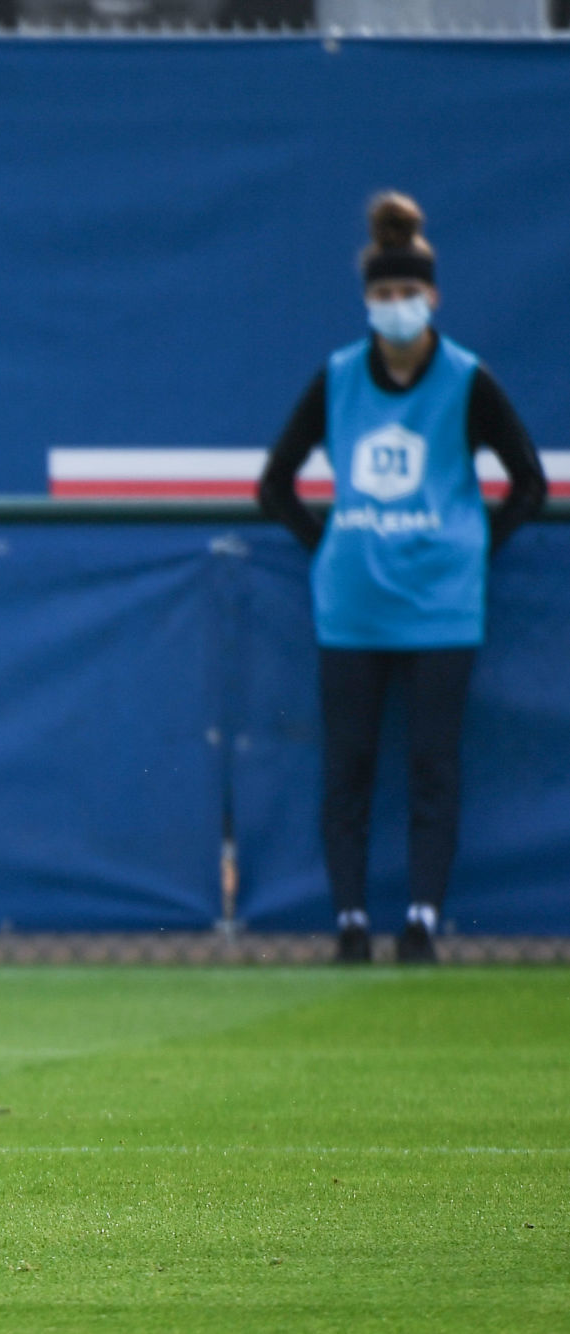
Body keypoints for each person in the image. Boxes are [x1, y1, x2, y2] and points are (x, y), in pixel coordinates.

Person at [258, 191, 546, 966]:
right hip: (351, 603)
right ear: (366, 300)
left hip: (441, 605)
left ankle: (421, 920)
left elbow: (528, 482)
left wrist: (471, 545)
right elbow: (274, 483)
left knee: (431, 766)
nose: (395, 308)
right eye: (382, 295)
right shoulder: (339, 378)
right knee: (346, 767)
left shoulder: (462, 379)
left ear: (431, 297)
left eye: (407, 294)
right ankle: (349, 921)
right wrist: (327, 545)